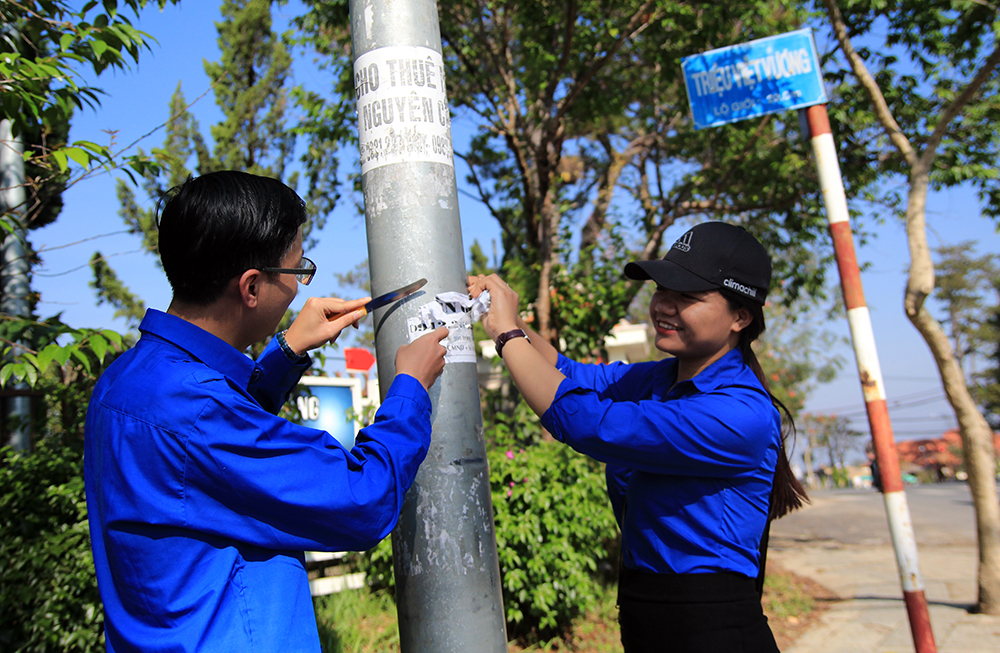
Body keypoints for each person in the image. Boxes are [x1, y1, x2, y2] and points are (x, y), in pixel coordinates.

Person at [84, 170, 449, 653]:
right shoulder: (195, 411)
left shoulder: (126, 381)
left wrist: (286, 351)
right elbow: (361, 498)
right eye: (298, 272)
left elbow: (211, 465)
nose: (299, 289)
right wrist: (409, 389)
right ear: (251, 286)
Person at [468, 221, 808, 653]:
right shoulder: (659, 379)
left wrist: (505, 333)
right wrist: (503, 314)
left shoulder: (739, 415)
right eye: (661, 290)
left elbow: (582, 419)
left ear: (741, 316)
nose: (664, 306)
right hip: (648, 618)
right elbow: (570, 376)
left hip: (711, 629)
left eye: (687, 297)